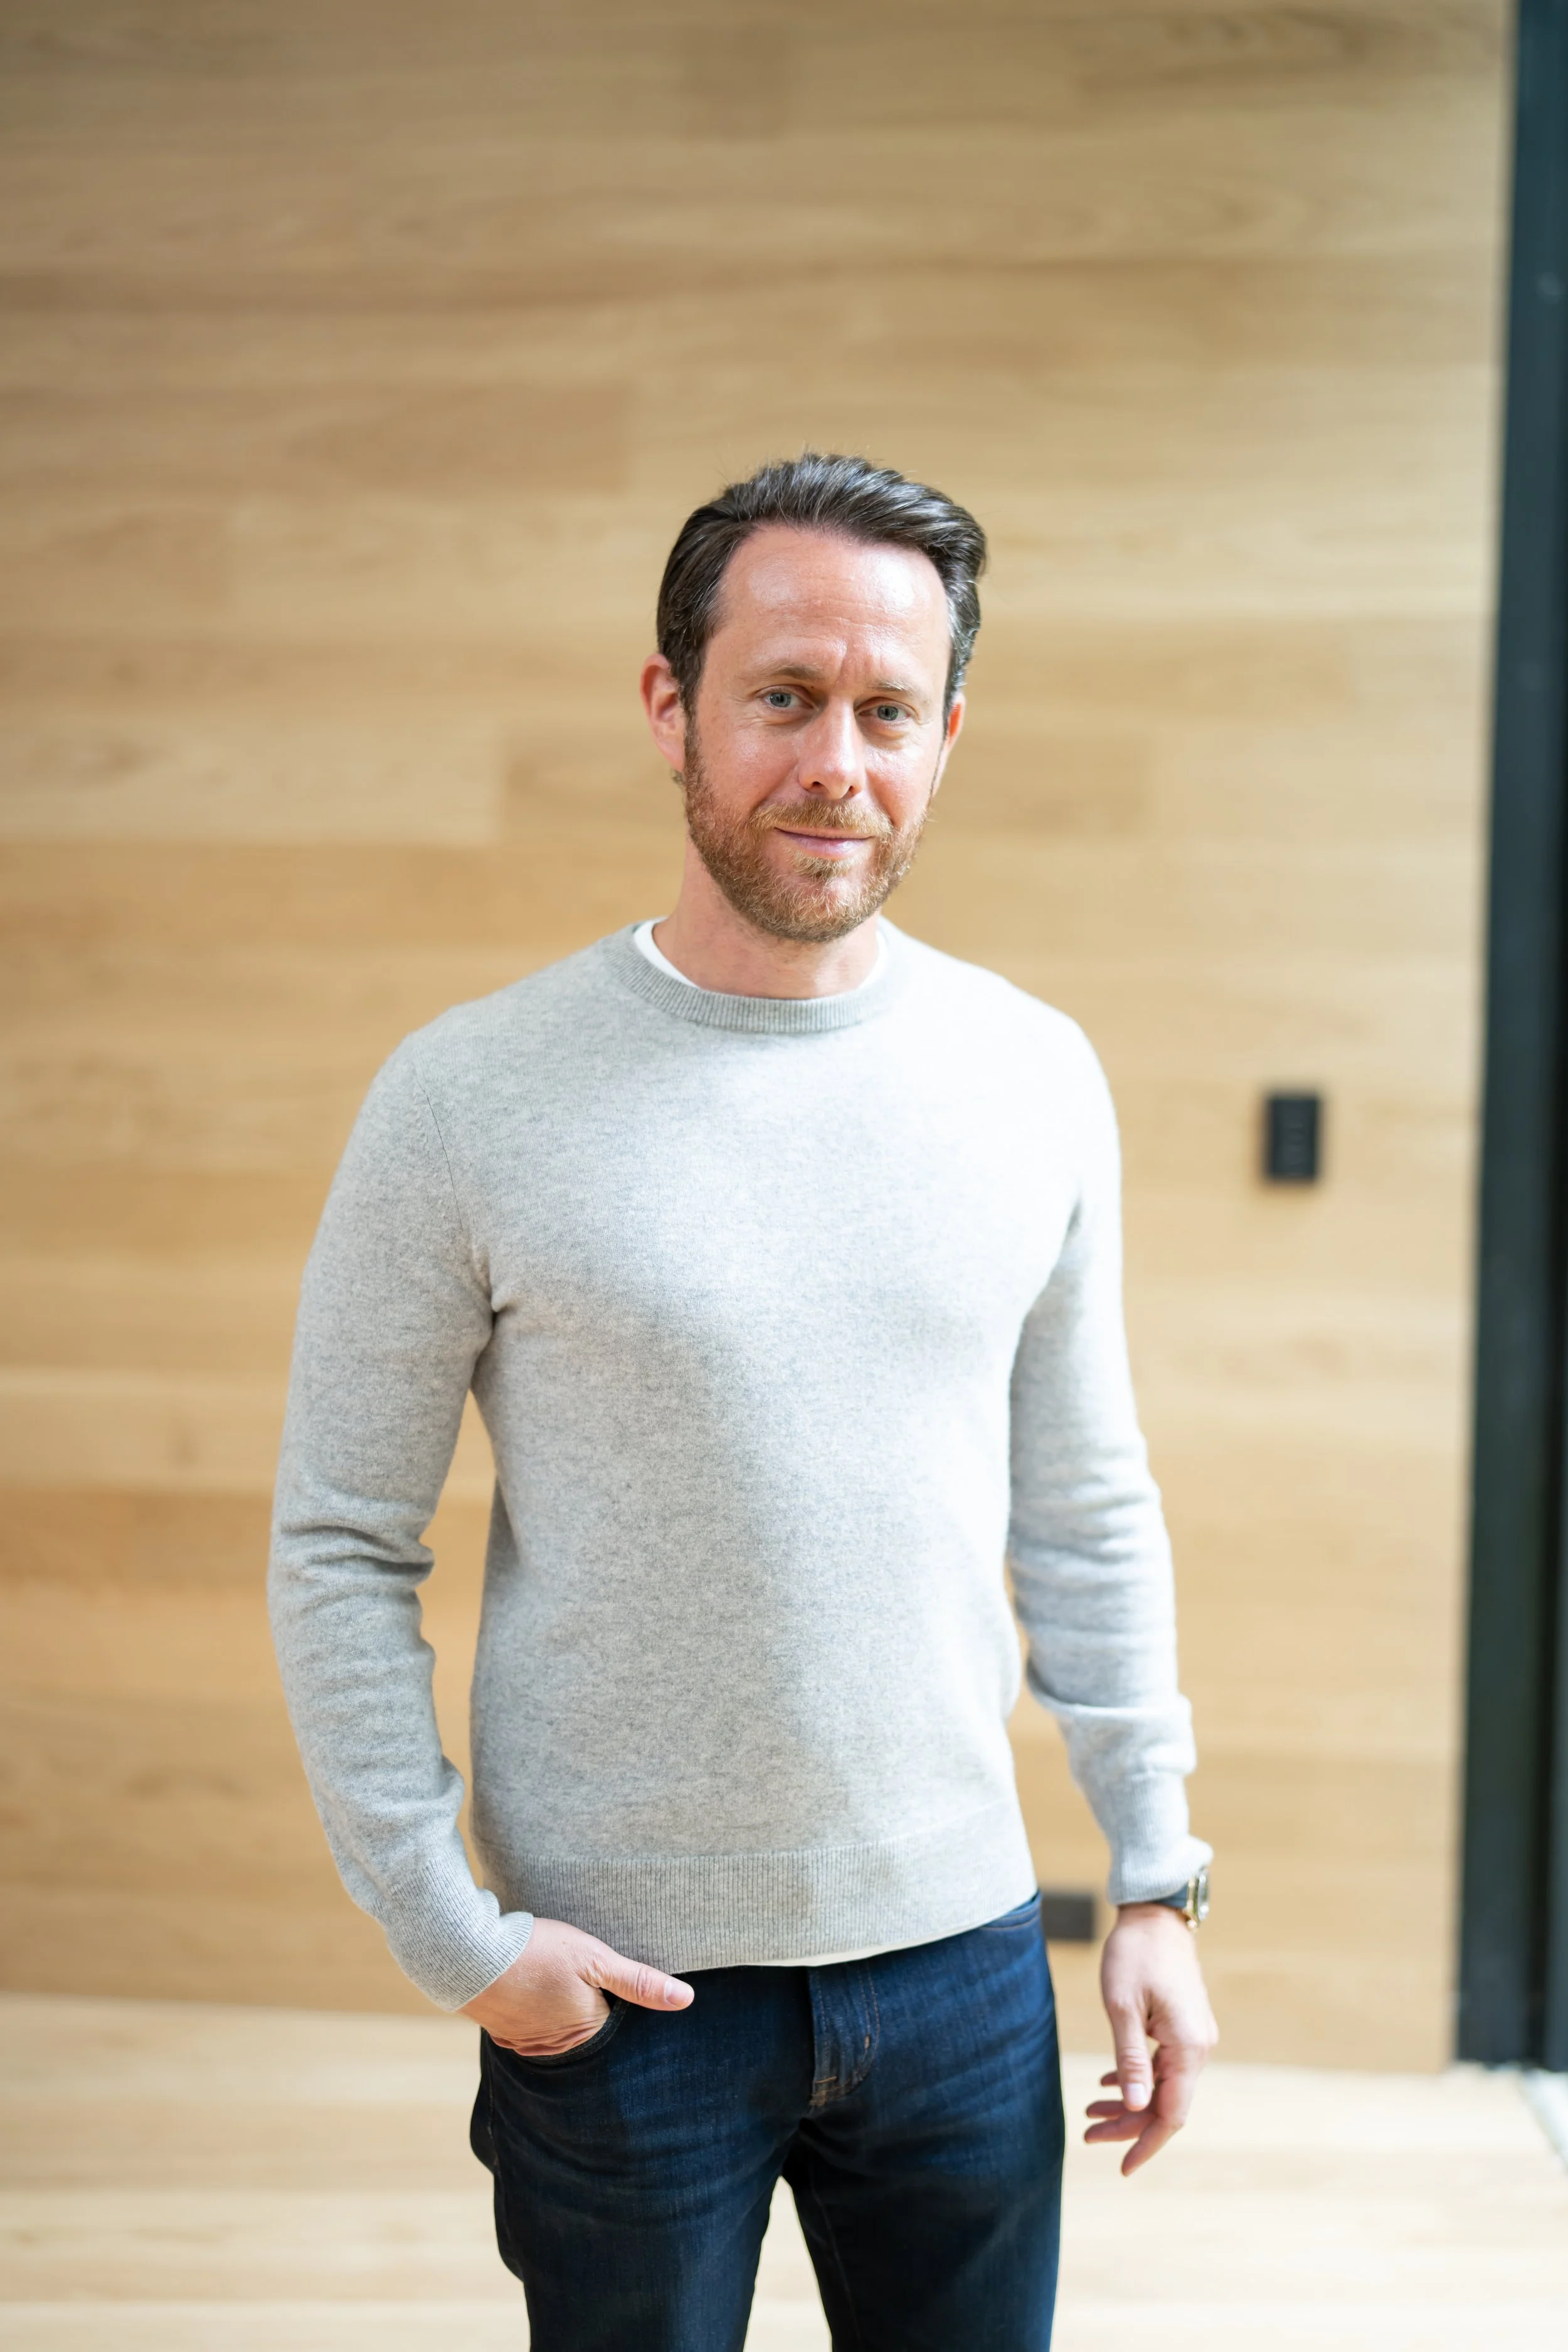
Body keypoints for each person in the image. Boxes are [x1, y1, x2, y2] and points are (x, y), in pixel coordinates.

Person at [269, 451, 1217, 2351]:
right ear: (670, 704)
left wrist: (1158, 1877)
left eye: (887, 710)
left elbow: (1086, 1500)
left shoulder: (1030, 1074)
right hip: (622, 1996)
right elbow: (341, 1539)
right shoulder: (466, 1096)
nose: (833, 764)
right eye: (781, 696)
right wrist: (455, 1932)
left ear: (947, 729)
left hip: (959, 1968)